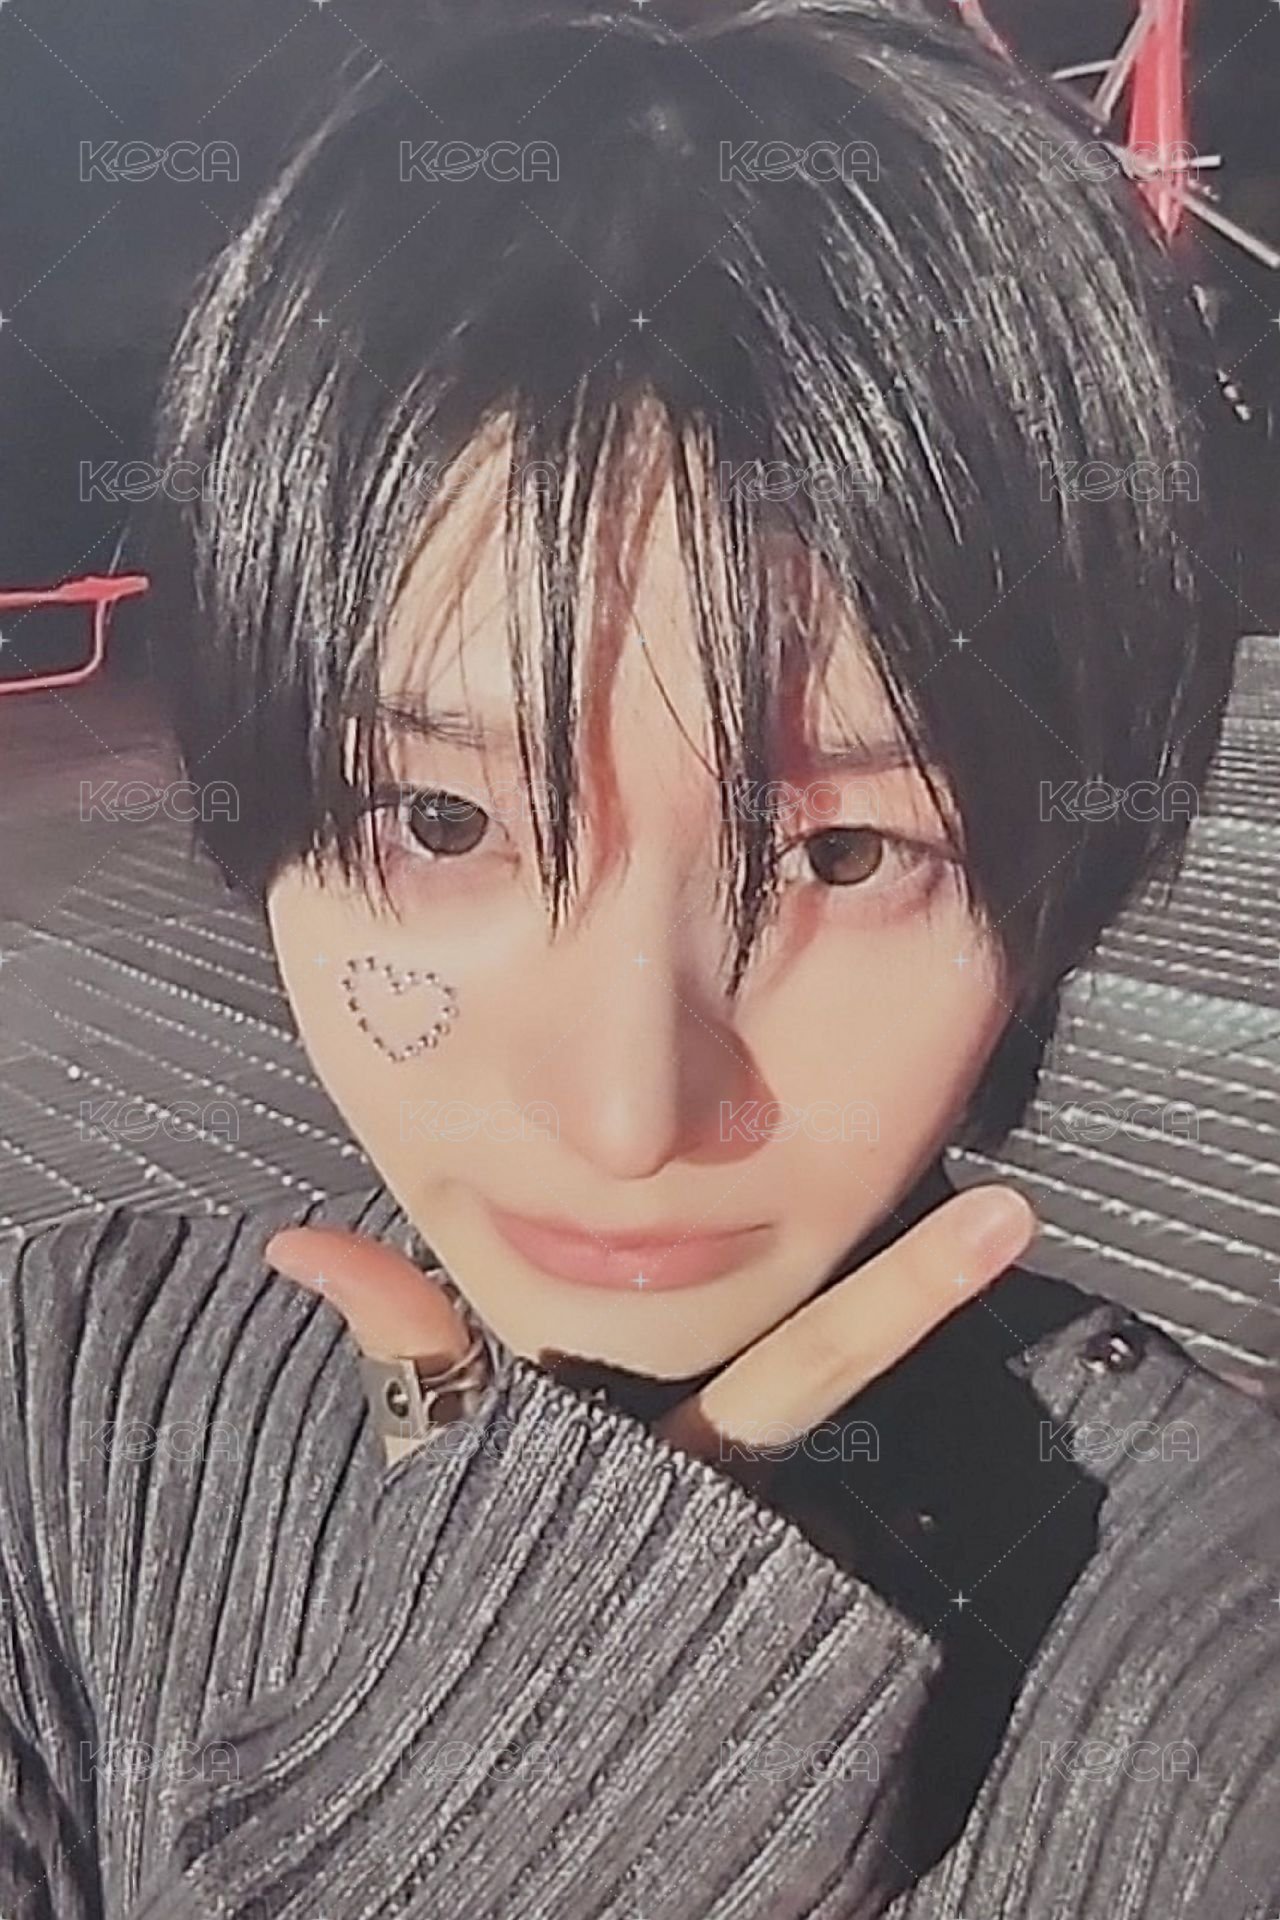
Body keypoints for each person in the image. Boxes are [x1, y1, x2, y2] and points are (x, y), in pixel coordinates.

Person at [2, 1, 1277, 1915]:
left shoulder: (1205, 1666)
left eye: (846, 849)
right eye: (442, 823)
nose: (626, 1115)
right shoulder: (65, 1408)